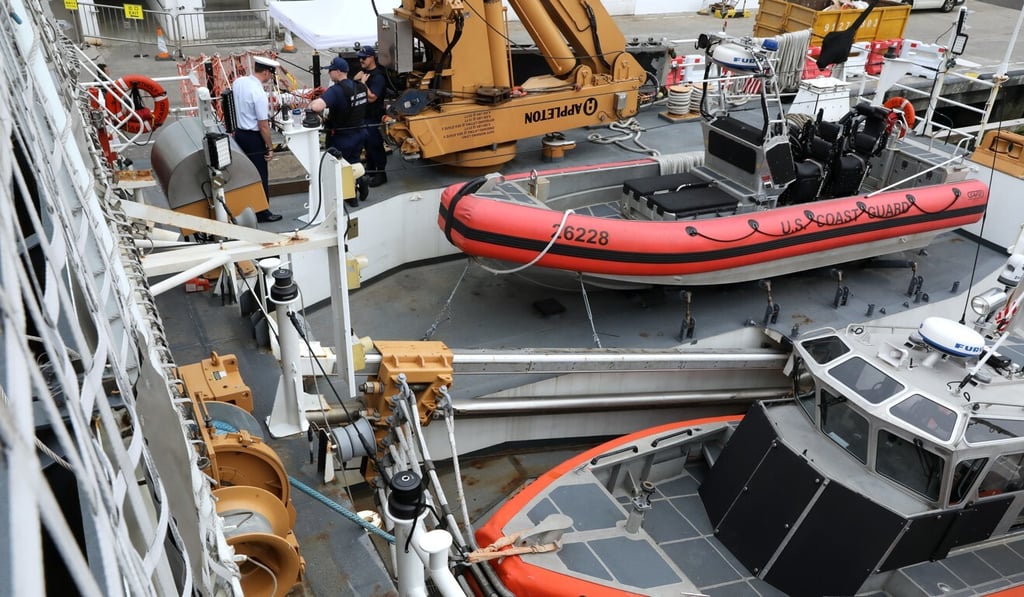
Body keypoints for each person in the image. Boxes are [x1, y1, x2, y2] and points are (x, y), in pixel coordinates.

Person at [309, 56, 369, 206]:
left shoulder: (335, 91)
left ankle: (351, 198)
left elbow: (317, 107)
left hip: (342, 137)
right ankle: (360, 180)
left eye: (330, 70)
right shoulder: (360, 86)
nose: (328, 73)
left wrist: (310, 104)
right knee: (354, 161)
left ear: (337, 72)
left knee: (341, 168)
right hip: (360, 133)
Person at [231, 55, 282, 222]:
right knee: (260, 175)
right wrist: (270, 147)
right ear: (266, 72)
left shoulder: (239, 82)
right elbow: (263, 126)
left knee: (244, 174)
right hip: (253, 138)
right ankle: (262, 211)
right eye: (271, 75)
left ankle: (245, 208)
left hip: (239, 134)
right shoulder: (258, 93)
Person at [353, 45, 388, 187]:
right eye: (360, 57)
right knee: (367, 145)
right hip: (363, 115)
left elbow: (372, 97)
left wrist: (362, 84)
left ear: (372, 58)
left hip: (373, 117)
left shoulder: (378, 77)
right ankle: (371, 170)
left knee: (375, 144)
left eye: (364, 57)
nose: (361, 60)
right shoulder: (363, 73)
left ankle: (381, 173)